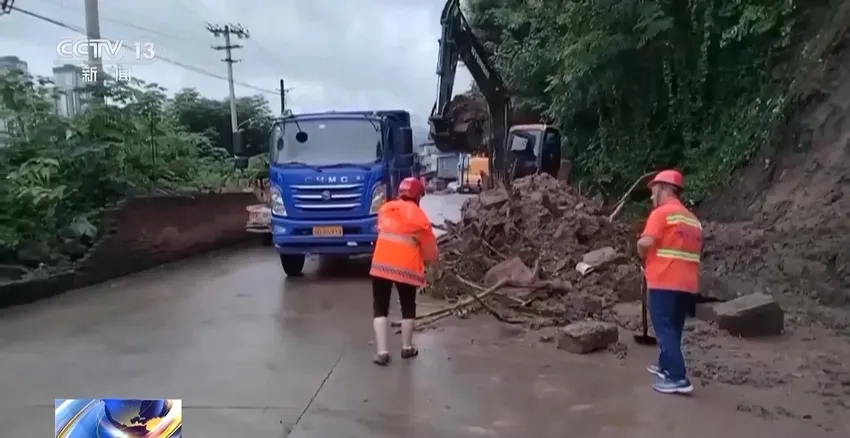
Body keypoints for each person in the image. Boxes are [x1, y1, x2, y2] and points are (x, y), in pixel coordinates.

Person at [636, 169, 702, 394]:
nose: (652, 196)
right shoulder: (691, 220)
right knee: (673, 328)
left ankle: (677, 378)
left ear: (664, 189)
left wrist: (640, 251)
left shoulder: (662, 214)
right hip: (687, 284)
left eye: (654, 191)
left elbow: (646, 243)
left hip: (664, 280)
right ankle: (665, 366)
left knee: (664, 328)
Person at [369, 177, 439, 366]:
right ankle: (407, 348)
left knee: (380, 307)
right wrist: (433, 263)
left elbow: (381, 230)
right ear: (418, 196)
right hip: (406, 268)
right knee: (408, 305)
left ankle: (382, 353)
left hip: (381, 265)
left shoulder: (386, 209)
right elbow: (429, 249)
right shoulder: (420, 217)